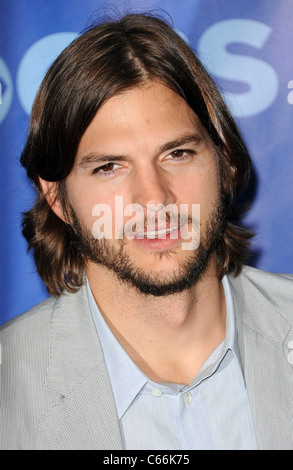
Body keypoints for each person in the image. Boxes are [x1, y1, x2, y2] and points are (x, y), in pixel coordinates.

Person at [1, 13, 292, 451]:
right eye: (109, 167)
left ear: (224, 161)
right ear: (58, 199)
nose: (154, 199)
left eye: (177, 153)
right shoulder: (10, 386)